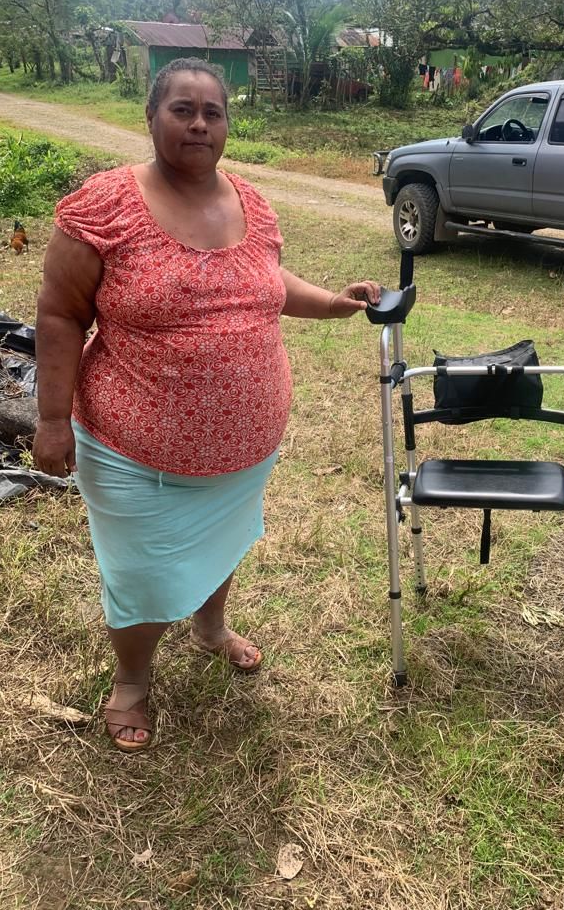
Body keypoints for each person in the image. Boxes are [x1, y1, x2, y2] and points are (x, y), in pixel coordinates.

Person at [33, 57, 380, 753]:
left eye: (212, 112)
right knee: (139, 571)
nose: (198, 123)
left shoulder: (250, 201)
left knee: (222, 542)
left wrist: (332, 303)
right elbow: (60, 314)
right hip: (133, 448)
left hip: (244, 449)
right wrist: (50, 419)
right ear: (151, 116)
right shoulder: (105, 205)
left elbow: (265, 277)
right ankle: (133, 678)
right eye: (182, 109)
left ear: (226, 124)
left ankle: (210, 627)